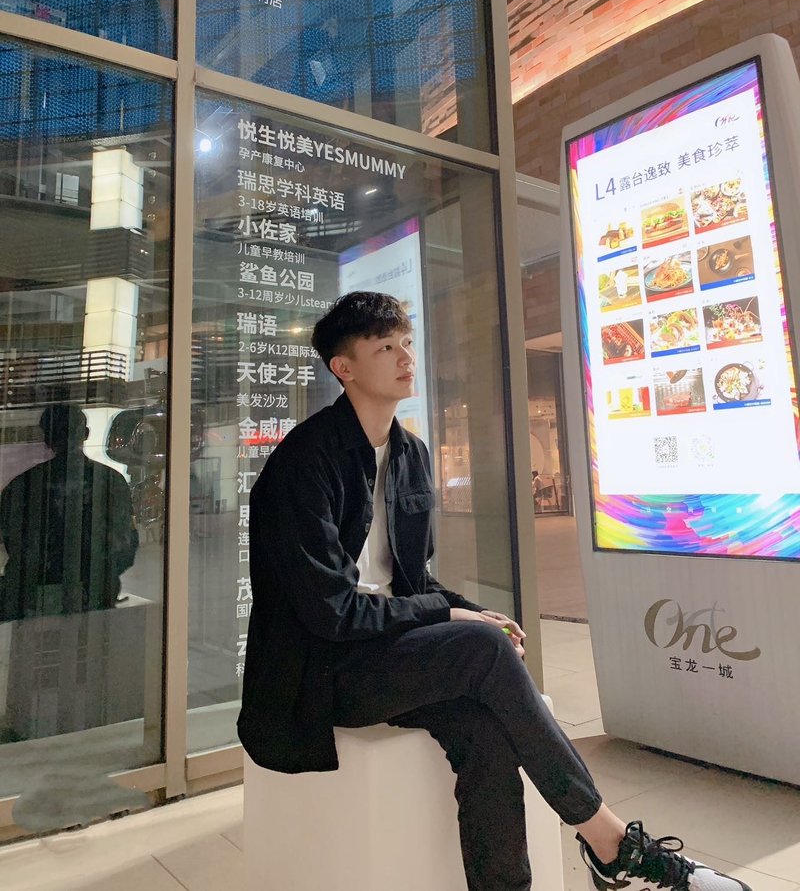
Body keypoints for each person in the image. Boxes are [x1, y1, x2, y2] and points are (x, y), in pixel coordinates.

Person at [239, 292, 750, 891]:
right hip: (318, 672)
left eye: (407, 343)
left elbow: (413, 580)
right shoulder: (303, 463)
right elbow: (332, 613)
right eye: (385, 347)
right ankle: (612, 843)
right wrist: (450, 616)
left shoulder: (409, 454)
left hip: (382, 656)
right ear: (343, 367)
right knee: (480, 650)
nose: (405, 358)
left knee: (483, 729)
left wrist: (474, 611)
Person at [0, 403, 138, 621]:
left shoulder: (22, 485)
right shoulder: (112, 481)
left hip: (31, 598)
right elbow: (125, 544)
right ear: (85, 434)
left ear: (47, 438)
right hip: (95, 594)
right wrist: (97, 575)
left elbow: (14, 542)